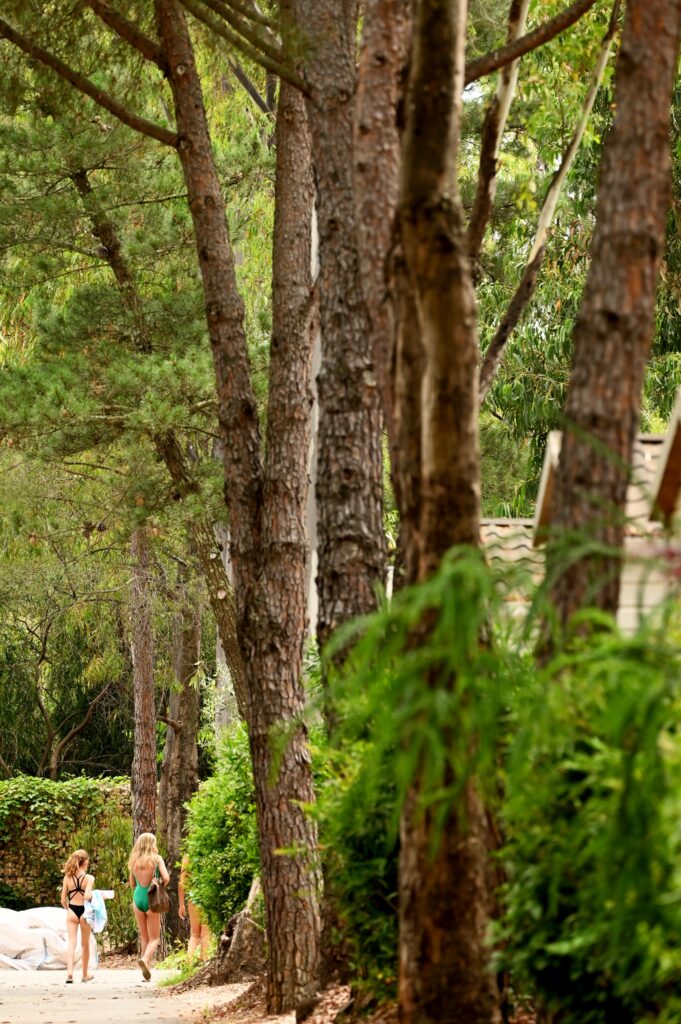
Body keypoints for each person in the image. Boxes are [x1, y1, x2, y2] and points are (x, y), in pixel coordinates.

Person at [128, 832, 170, 981]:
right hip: (151, 898)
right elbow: (166, 878)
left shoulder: (134, 861)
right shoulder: (156, 859)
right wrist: (158, 884)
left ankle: (146, 974)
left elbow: (132, 884)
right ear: (152, 844)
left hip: (137, 898)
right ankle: (145, 960)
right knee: (155, 939)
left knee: (145, 938)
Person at [60, 849, 94, 984]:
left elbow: (63, 900)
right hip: (85, 912)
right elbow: (87, 896)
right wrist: (96, 895)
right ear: (84, 862)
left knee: (71, 942)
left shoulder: (67, 878)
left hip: (72, 911)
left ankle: (69, 973)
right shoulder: (89, 878)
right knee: (85, 944)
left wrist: (69, 910)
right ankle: (85, 975)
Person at [178, 854, 213, 961]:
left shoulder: (188, 857)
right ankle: (204, 962)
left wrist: (181, 904)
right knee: (206, 932)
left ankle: (188, 963)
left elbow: (181, 883)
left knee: (195, 934)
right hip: (209, 896)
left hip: (193, 898)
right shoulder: (209, 853)